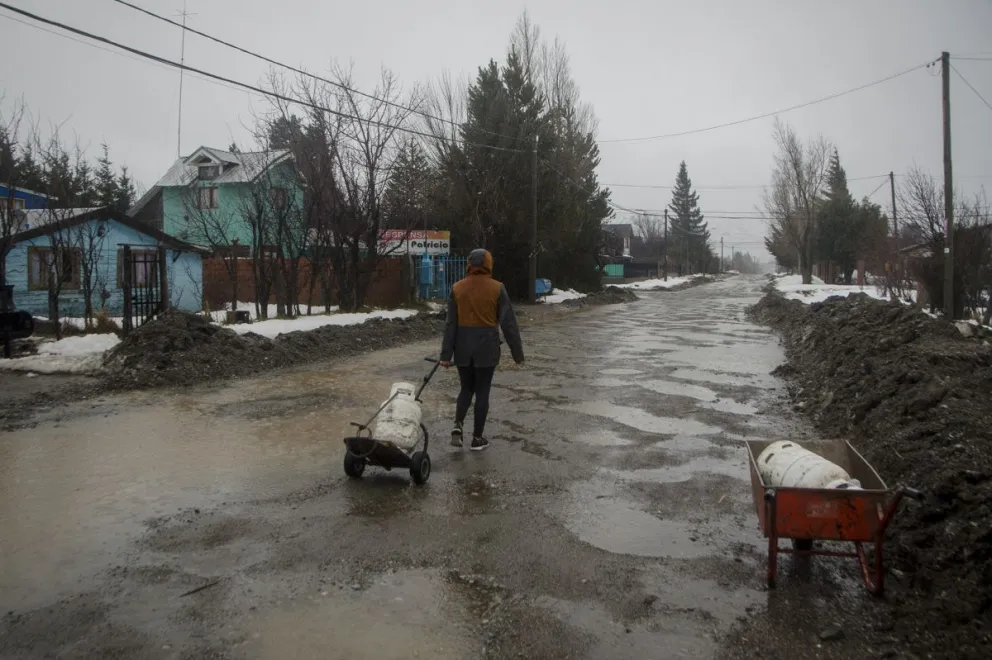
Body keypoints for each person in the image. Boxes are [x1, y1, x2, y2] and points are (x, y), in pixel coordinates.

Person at [439, 249, 524, 451]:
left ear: (469, 264)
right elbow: (508, 324)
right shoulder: (497, 288)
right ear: (488, 263)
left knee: (466, 388)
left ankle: (458, 424)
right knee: (482, 390)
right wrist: (517, 354)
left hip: (462, 347)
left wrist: (446, 355)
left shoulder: (457, 288)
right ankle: (477, 438)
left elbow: (450, 324)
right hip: (487, 347)